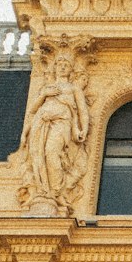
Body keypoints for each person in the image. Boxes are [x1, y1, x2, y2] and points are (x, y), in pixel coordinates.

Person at [23, 53, 89, 203]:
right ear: (55, 68)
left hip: (62, 123)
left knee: (52, 152)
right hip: (41, 122)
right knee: (38, 154)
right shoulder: (47, 87)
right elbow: (32, 110)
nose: (63, 67)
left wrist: (82, 129)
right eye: (60, 65)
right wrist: (44, 95)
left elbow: (83, 111)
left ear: (71, 70)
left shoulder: (74, 88)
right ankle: (44, 191)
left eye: (66, 65)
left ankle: (55, 191)